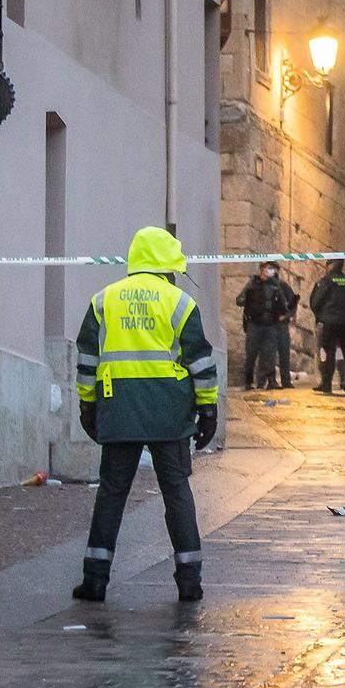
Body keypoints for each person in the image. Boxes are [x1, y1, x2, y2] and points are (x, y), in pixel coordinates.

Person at [72, 227, 217, 604]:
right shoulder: (180, 303)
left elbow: (87, 359)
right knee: (176, 492)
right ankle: (189, 580)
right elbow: (200, 362)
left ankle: (95, 580)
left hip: (119, 408)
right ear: (167, 266)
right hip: (168, 413)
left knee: (111, 494)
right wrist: (208, 408)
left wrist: (88, 404)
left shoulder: (104, 300)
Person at [235, 261, 298, 389]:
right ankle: (249, 382)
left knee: (269, 354)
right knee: (251, 354)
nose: (268, 272)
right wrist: (248, 300)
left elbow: (286, 304)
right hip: (255, 324)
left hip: (271, 325)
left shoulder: (277, 286)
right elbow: (240, 300)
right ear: (261, 270)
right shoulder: (253, 284)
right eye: (266, 269)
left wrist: (285, 315)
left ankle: (271, 381)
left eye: (271, 269)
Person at [310, 258, 345, 395]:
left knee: (329, 352)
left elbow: (316, 301)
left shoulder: (327, 281)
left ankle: (327, 384)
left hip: (329, 322)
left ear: (331, 266)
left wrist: (320, 317)